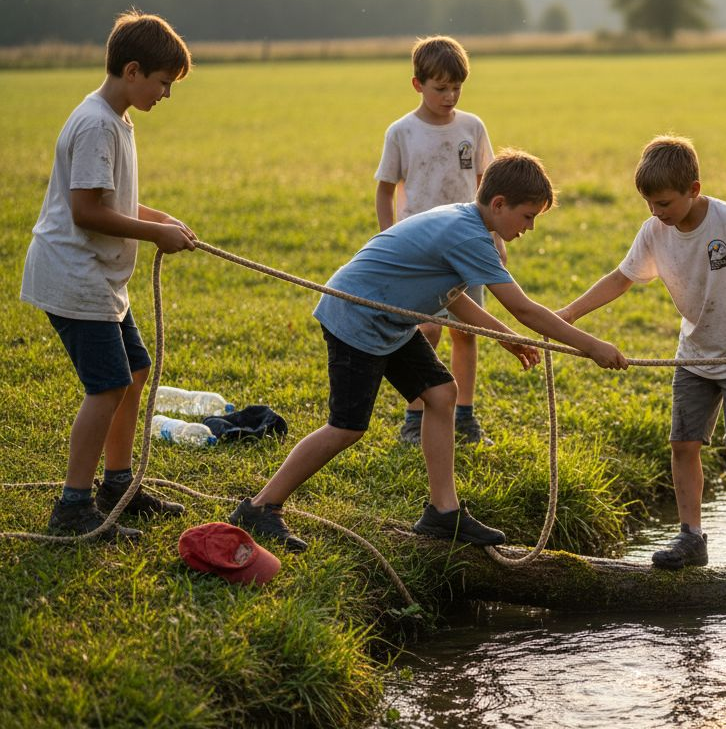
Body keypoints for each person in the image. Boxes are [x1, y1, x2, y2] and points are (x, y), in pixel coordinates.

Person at [228, 151, 628, 553]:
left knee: (441, 393)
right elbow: (524, 308)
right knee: (347, 426)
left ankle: (443, 512)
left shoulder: (467, 221)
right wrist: (592, 346)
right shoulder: (470, 235)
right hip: (356, 319)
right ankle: (261, 506)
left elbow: (451, 295)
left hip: (388, 322)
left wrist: (503, 336)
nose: (530, 227)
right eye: (528, 216)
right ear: (499, 204)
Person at [557, 135, 726, 578]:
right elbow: (621, 278)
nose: (657, 213)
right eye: (650, 204)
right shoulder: (655, 231)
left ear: (694, 189)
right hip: (694, 352)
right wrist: (568, 315)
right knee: (682, 444)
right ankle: (691, 536)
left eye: (664, 203)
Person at [20, 10, 196, 539]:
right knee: (108, 386)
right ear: (134, 70)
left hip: (99, 278)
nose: (166, 94)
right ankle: (72, 507)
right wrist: (155, 236)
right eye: (164, 83)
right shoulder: (97, 122)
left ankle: (118, 485)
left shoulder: (117, 119)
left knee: (135, 372)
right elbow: (86, 211)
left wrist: (158, 218)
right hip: (74, 277)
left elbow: (113, 200)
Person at [375, 35, 500, 447]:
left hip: (467, 247)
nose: (449, 96)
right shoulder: (402, 132)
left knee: (466, 333)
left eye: (456, 88)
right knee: (424, 331)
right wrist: (387, 238)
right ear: (417, 85)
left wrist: (494, 235)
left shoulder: (472, 126)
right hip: (419, 251)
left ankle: (465, 415)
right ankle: (415, 416)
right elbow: (385, 189)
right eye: (439, 88)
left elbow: (487, 185)